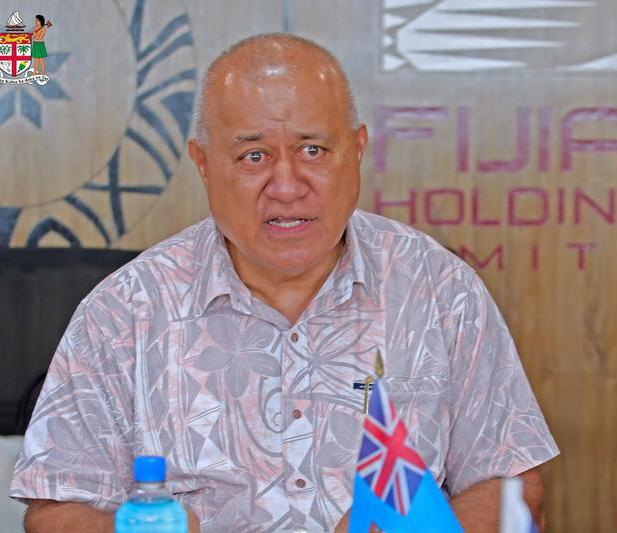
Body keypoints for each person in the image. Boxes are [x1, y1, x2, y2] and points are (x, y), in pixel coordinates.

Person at [11, 33, 558, 532]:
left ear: (358, 149)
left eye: (313, 150)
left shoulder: (438, 289)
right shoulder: (124, 309)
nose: (288, 186)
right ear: (203, 163)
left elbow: (512, 485)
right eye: (254, 156)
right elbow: (56, 511)